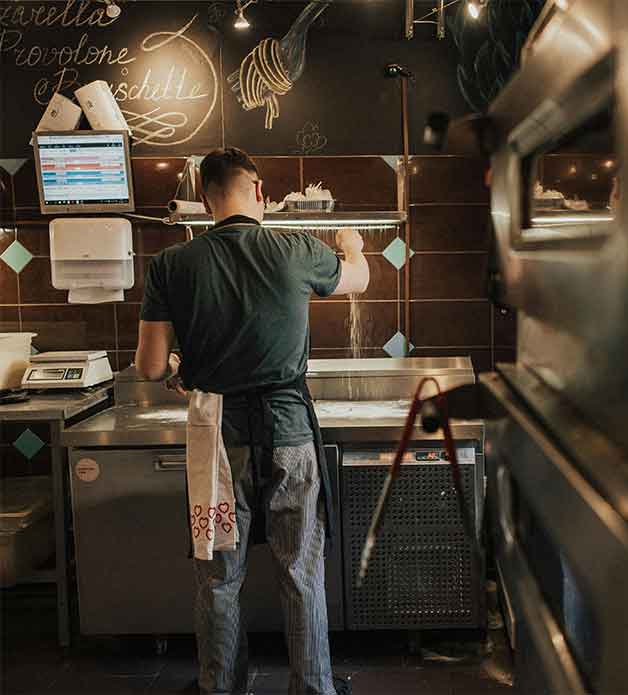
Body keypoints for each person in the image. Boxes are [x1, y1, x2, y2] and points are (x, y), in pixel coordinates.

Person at [134, 147, 369, 695]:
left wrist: (176, 363)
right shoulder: (294, 247)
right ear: (259, 191)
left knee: (217, 578)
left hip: (216, 442)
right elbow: (357, 278)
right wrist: (352, 247)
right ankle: (313, 688)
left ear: (206, 197)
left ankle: (220, 688)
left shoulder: (172, 263)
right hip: (289, 435)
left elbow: (147, 366)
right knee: (301, 572)